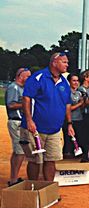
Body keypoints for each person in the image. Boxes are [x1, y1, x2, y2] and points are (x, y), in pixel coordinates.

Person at [20, 52, 74, 181]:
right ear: (54, 62)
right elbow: (27, 98)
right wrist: (29, 120)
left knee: (51, 160)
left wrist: (69, 123)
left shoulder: (64, 83)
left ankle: (48, 188)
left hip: (55, 129)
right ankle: (33, 187)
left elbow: (67, 104)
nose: (67, 64)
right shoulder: (38, 78)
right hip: (36, 128)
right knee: (35, 160)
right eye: (64, 62)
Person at [5, 67, 31, 186]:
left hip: (20, 121)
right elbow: (11, 104)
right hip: (16, 121)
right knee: (20, 151)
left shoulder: (22, 88)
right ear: (20, 76)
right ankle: (13, 180)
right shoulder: (13, 87)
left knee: (17, 151)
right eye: (27, 76)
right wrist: (25, 104)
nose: (29, 79)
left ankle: (14, 178)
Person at [63, 73, 85, 158]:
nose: (76, 83)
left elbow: (82, 106)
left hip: (79, 118)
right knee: (68, 141)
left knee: (78, 139)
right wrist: (79, 104)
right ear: (69, 82)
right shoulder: (67, 93)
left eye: (77, 81)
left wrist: (83, 102)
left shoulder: (78, 93)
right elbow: (67, 108)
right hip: (70, 119)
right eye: (74, 81)